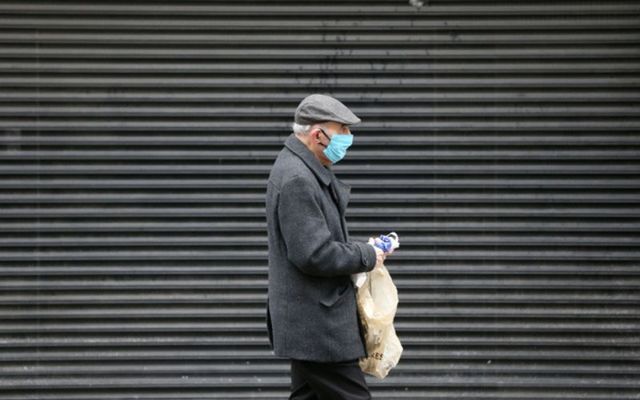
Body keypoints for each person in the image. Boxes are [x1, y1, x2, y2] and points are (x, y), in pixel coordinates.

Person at [265, 94, 385, 399]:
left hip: (312, 319)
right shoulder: (297, 179)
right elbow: (313, 253)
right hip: (318, 326)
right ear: (319, 135)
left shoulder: (303, 168)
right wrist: (367, 254)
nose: (348, 138)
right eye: (342, 130)